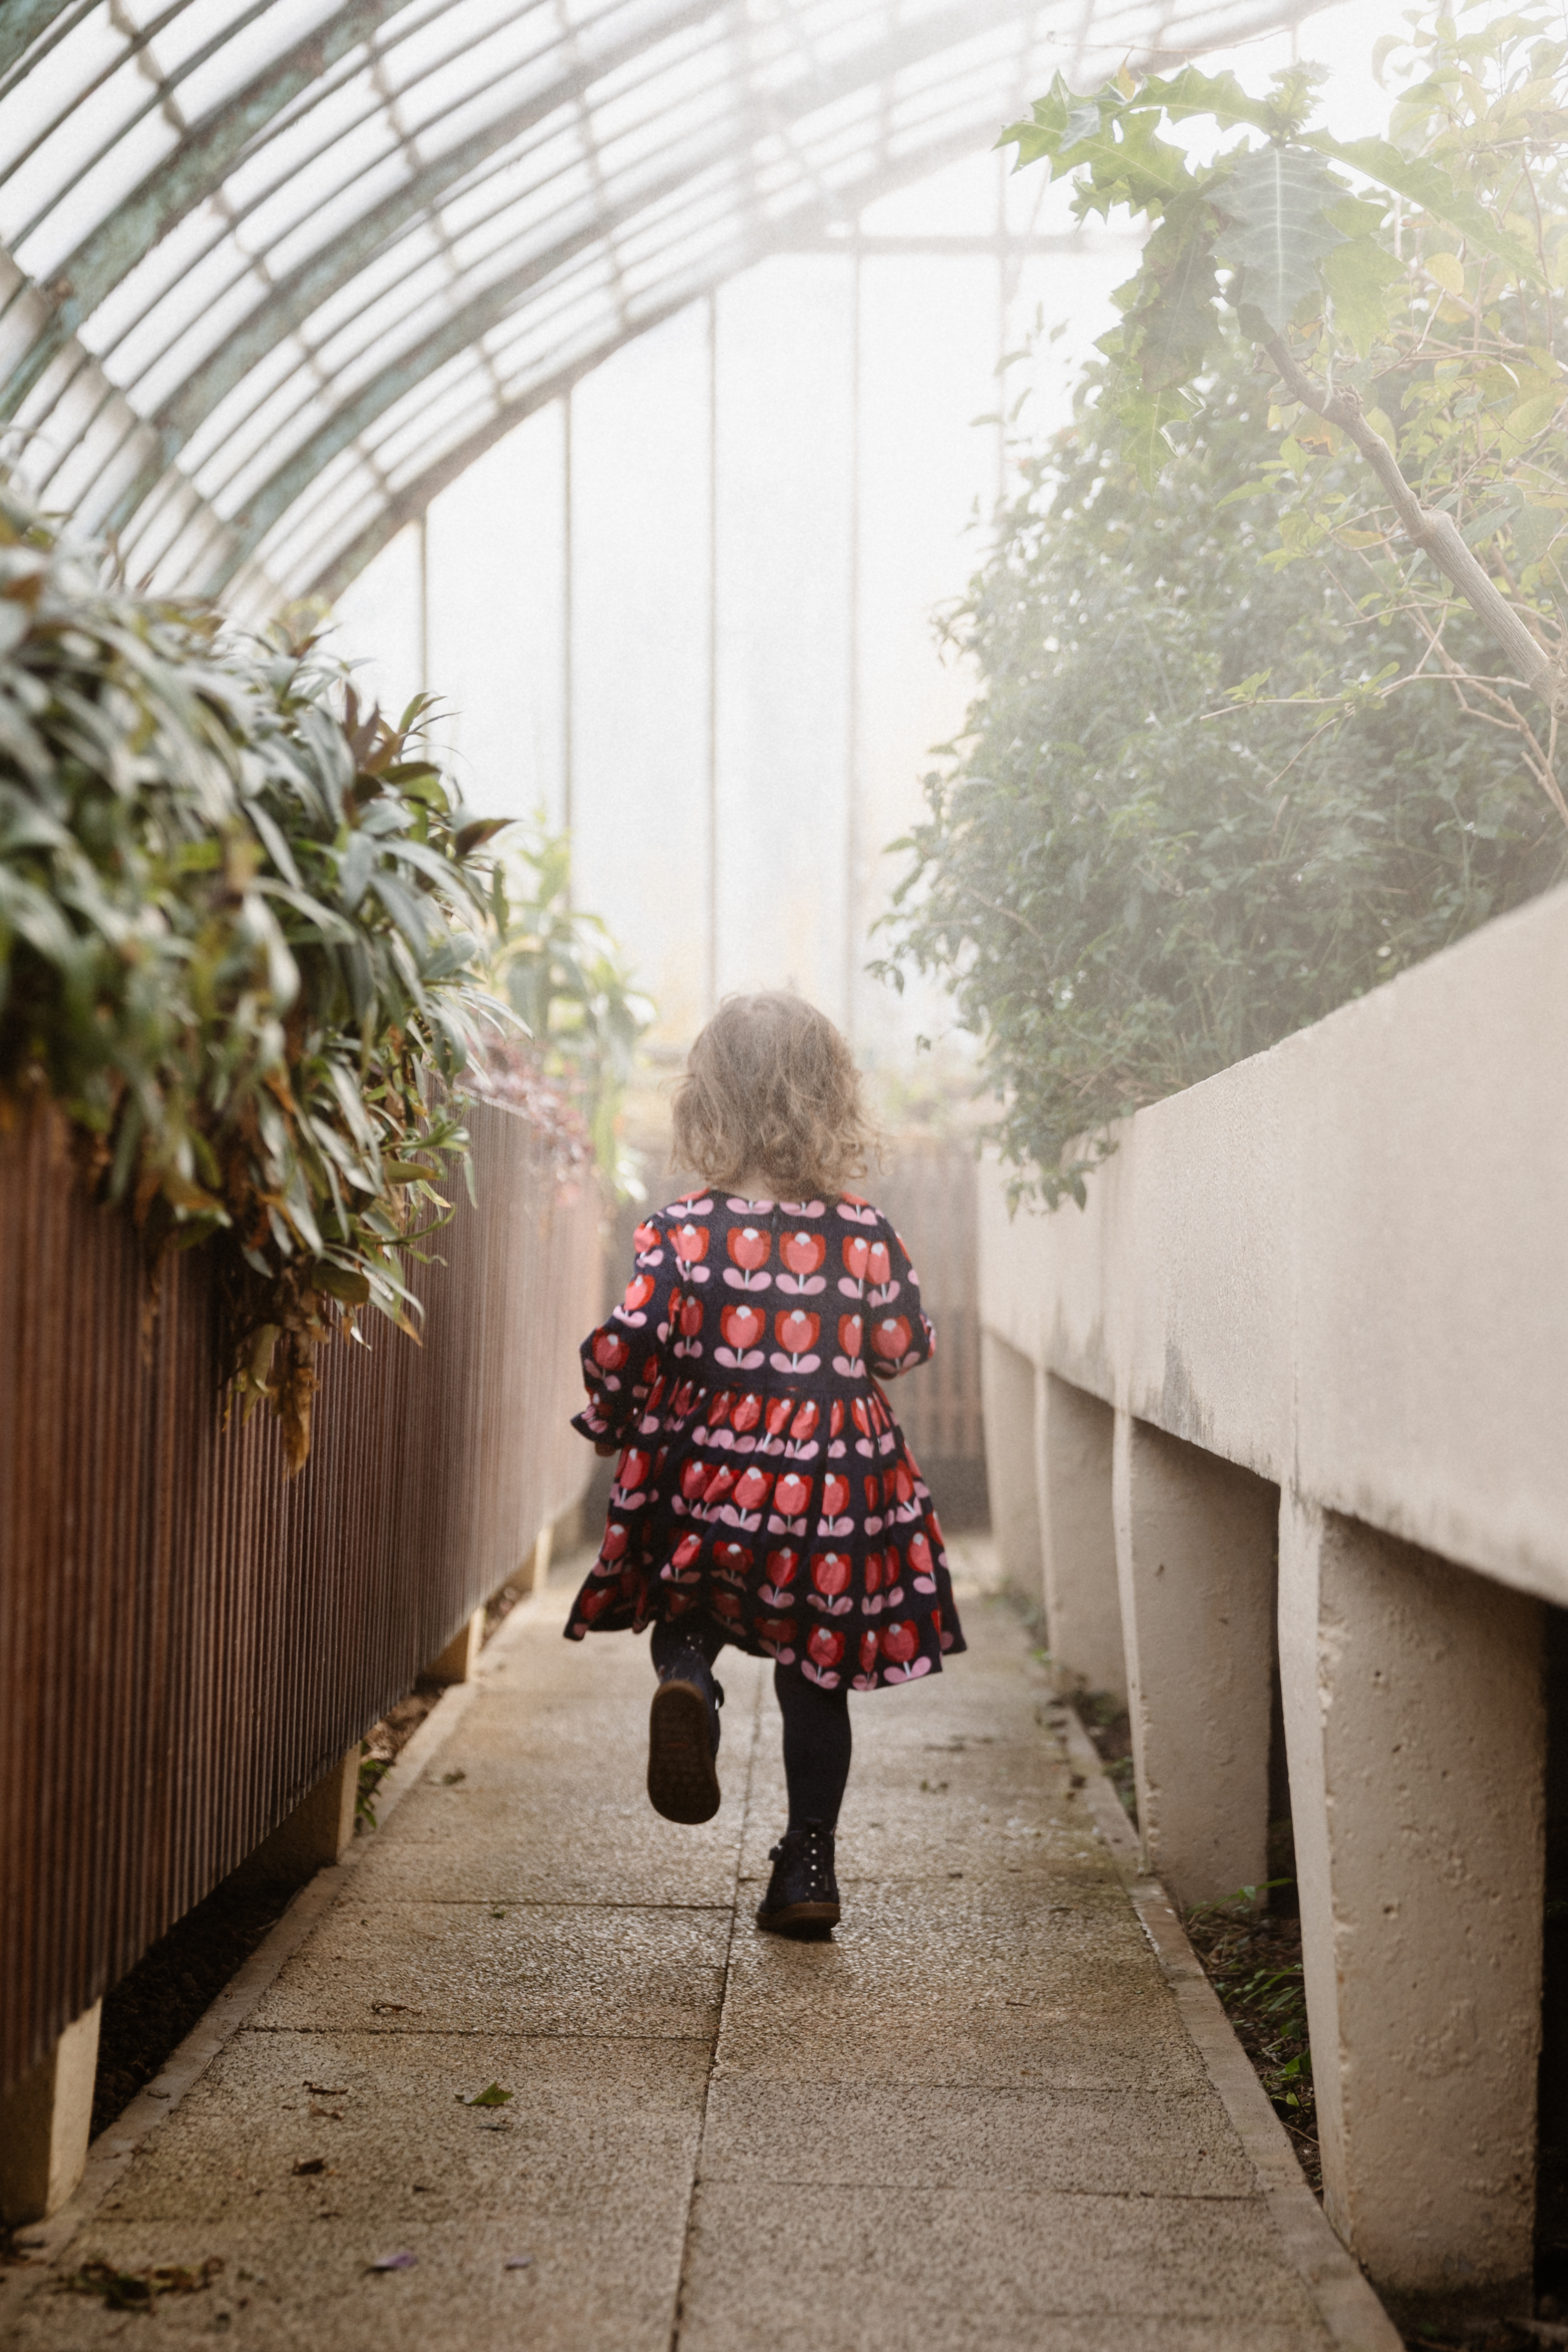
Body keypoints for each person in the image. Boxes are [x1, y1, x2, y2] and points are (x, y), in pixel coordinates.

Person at [564, 991, 965, 1936]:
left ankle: (691, 1681)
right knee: (816, 1671)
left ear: (707, 1101)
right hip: (833, 1476)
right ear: (829, 1102)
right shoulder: (863, 1233)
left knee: (684, 1606)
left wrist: (614, 1418)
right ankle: (808, 1869)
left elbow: (627, 1343)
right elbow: (904, 1345)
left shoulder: (681, 1231)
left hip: (705, 1465)